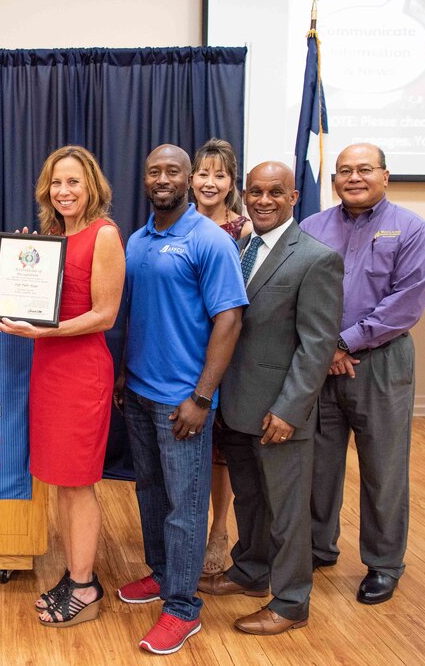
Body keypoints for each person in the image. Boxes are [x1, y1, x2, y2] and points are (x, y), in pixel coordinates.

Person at [112, 144, 247, 655]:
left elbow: (230, 320)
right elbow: (137, 314)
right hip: (140, 391)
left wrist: (202, 397)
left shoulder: (209, 240)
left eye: (173, 170)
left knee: (186, 509)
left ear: (189, 179)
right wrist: (126, 375)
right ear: (144, 179)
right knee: (149, 493)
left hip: (182, 402)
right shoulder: (138, 239)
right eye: (154, 171)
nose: (162, 177)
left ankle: (183, 608)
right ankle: (164, 574)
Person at [197, 161, 343, 635]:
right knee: (251, 500)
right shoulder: (240, 247)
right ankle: (252, 570)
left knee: (287, 511)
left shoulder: (315, 258)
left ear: (293, 198)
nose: (263, 200)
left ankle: (292, 600)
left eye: (274, 193)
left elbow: (317, 345)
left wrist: (289, 409)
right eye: (255, 192)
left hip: (279, 411)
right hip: (236, 406)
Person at [0, 146, 124, 627]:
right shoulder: (51, 238)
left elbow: (105, 314)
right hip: (49, 369)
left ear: (92, 187)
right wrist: (26, 262)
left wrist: (48, 331)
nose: (64, 191)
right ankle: (75, 572)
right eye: (56, 184)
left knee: (78, 482)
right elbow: (39, 301)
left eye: (73, 182)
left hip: (82, 371)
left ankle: (84, 587)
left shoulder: (104, 235)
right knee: (61, 481)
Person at [300, 143, 425, 605]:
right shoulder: (311, 228)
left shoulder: (413, 229)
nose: (353, 177)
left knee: (384, 468)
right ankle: (319, 547)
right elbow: (298, 292)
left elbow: (405, 303)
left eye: (364, 169)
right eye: (344, 171)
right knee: (319, 464)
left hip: (380, 363)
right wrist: (328, 347)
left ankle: (383, 564)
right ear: (334, 180)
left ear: (385, 175)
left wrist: (345, 342)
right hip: (319, 364)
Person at [188, 138, 252, 577]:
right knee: (195, 447)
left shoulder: (245, 231)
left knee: (224, 450)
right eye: (203, 174)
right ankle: (186, 531)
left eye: (220, 175)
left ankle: (220, 530)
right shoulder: (175, 220)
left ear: (232, 183)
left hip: (227, 350)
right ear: (191, 179)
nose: (210, 183)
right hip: (183, 346)